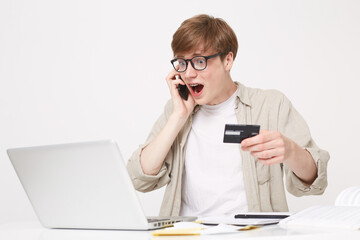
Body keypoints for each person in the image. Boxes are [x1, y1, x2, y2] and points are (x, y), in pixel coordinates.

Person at [127, 14, 330, 217]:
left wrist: (291, 151)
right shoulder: (175, 110)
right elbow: (139, 178)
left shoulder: (271, 105)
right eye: (182, 63)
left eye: (199, 61)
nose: (188, 74)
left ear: (228, 60)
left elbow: (315, 181)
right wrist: (178, 116)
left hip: (252, 234)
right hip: (187, 233)